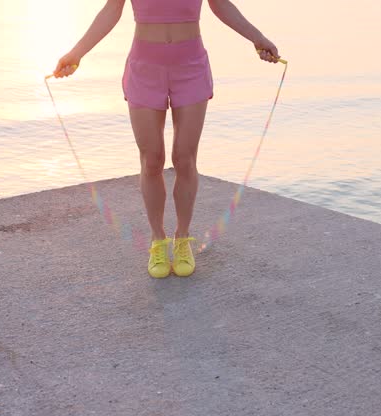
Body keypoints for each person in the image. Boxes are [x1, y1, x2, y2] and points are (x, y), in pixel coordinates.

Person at [54, 0, 280, 278]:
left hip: (191, 66)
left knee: (185, 159)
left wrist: (258, 39)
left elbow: (220, 4)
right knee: (152, 160)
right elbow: (111, 10)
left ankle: (182, 238)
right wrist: (76, 53)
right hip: (145, 67)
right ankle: (157, 240)